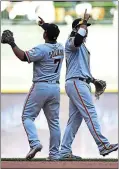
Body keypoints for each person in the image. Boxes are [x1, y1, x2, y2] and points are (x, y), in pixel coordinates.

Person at [1, 17, 64, 160]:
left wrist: (12, 43)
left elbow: (24, 57)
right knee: (54, 123)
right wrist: (44, 26)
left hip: (41, 86)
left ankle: (34, 143)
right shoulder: (60, 47)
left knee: (27, 117)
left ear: (45, 35)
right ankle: (54, 154)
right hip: (55, 88)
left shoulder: (41, 49)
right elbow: (51, 34)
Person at [60, 9, 118, 160]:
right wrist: (83, 22)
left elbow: (80, 67)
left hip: (80, 82)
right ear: (76, 29)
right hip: (76, 83)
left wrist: (92, 80)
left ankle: (64, 151)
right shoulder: (71, 41)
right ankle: (103, 145)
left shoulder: (83, 48)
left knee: (74, 120)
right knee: (90, 113)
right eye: (84, 27)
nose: (87, 30)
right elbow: (78, 39)